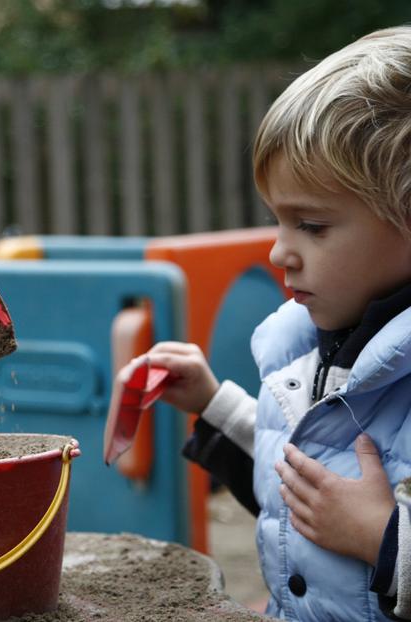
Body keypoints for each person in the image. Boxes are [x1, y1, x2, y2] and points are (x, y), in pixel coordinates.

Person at [140, 26, 411, 621]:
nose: (278, 252)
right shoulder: (316, 344)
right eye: (278, 221)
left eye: (312, 226)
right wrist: (212, 402)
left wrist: (384, 540)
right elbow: (299, 479)